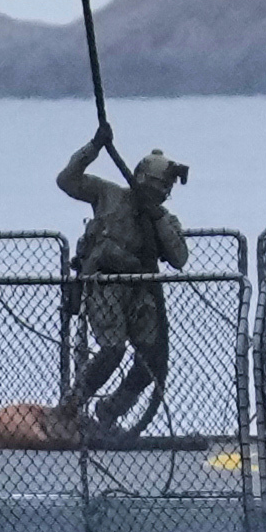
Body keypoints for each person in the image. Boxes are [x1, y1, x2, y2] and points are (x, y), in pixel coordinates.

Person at [50, 129, 189, 436]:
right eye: (157, 186)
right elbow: (67, 180)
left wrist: (157, 219)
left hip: (141, 293)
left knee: (153, 360)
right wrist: (94, 147)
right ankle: (71, 405)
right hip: (104, 284)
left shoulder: (163, 220)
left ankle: (109, 411)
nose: (162, 192)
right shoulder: (108, 195)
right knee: (112, 350)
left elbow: (179, 258)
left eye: (165, 189)